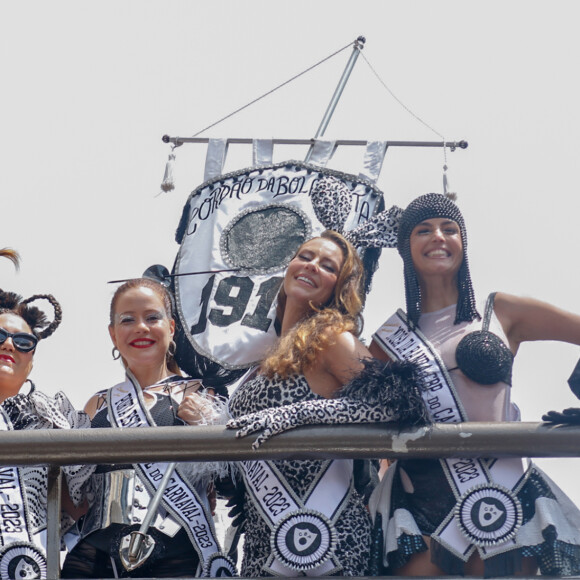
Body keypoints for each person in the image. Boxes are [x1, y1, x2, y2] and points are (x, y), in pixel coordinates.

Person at [365, 192, 580, 577]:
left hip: (504, 490)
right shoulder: (386, 339)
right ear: (405, 246)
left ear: (462, 242)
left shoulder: (500, 311)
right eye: (423, 230)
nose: (438, 237)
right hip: (419, 502)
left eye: (450, 229)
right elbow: (372, 420)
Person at [227, 230, 428, 577]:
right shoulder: (261, 360)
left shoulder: (329, 339)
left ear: (339, 287)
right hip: (264, 539)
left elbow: (396, 403)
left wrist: (296, 414)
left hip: (330, 539)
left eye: (328, 265)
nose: (312, 266)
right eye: (305, 256)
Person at [61, 278, 236, 578]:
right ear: (113, 335)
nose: (141, 327)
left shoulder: (204, 392)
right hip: (95, 558)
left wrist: (209, 425)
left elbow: (231, 482)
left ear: (171, 328)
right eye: (127, 320)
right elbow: (75, 499)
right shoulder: (96, 403)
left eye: (152, 318)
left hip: (179, 553)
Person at [0, 288, 90, 580]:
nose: (9, 346)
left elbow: (81, 511)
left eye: (23, 342)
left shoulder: (53, 423)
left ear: (32, 360)